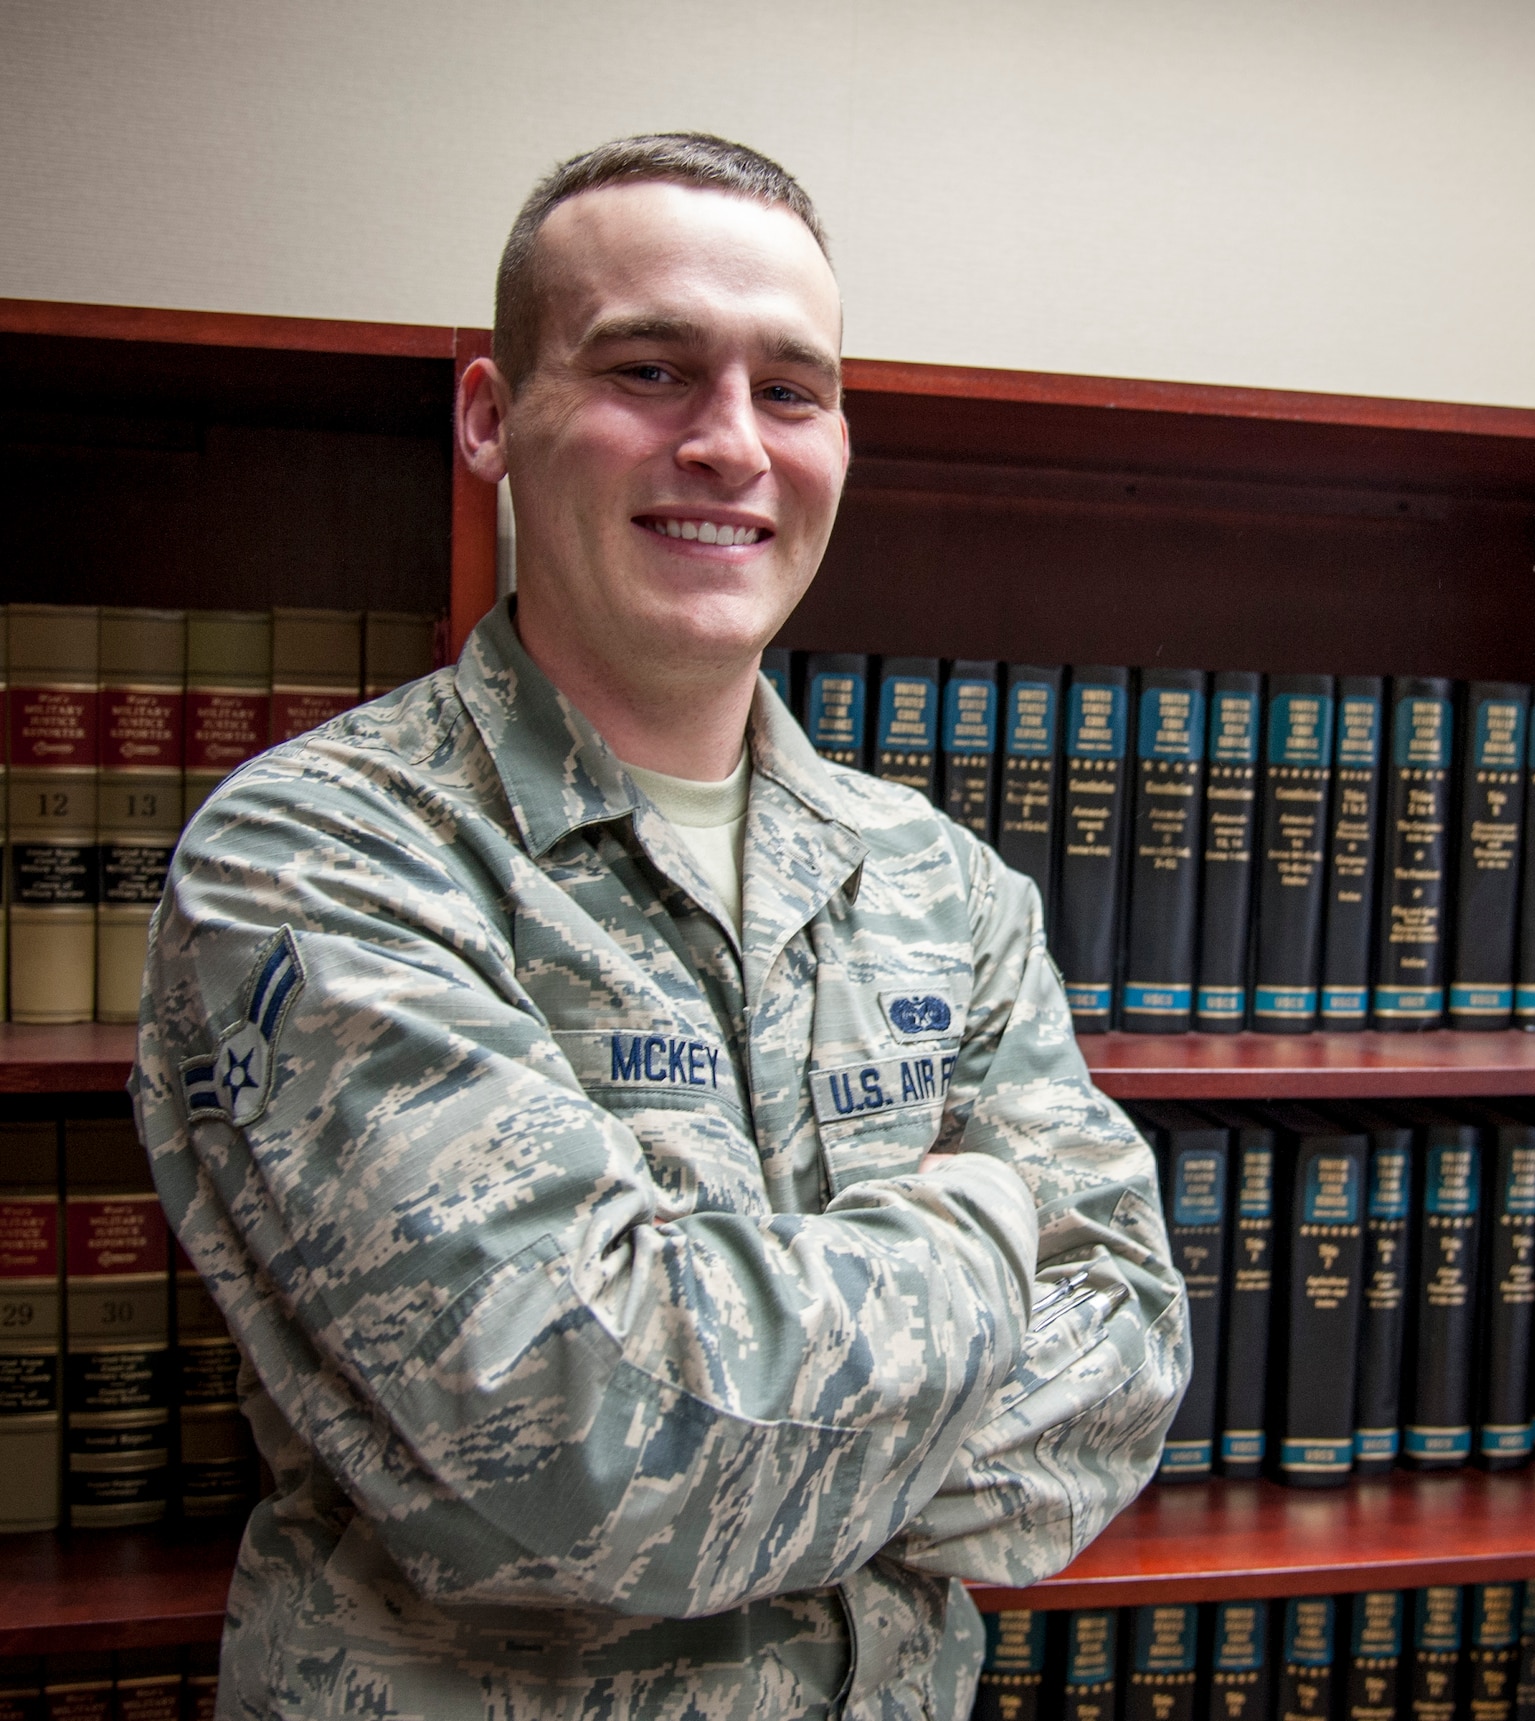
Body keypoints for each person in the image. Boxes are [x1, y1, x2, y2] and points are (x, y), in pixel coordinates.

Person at [135, 133, 1188, 1721]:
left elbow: (1119, 1379)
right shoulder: (319, 857)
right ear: (490, 417)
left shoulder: (942, 885)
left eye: (792, 390)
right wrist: (979, 1228)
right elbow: (594, 1440)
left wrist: (739, 1401)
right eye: (651, 370)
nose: (730, 444)